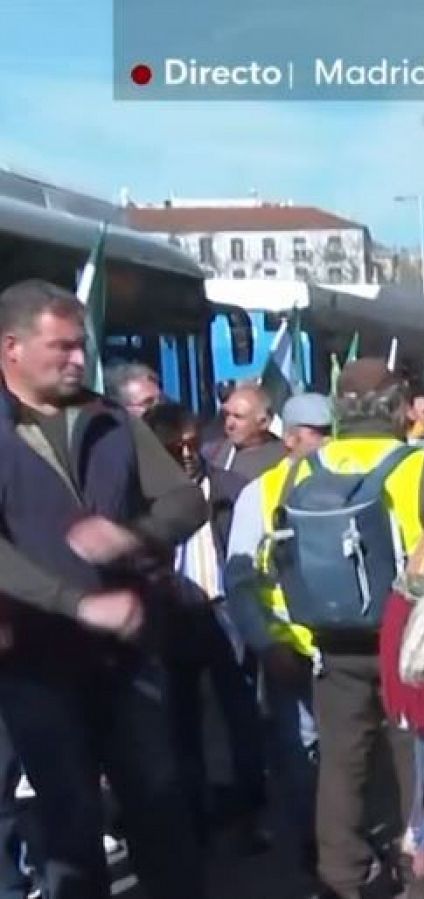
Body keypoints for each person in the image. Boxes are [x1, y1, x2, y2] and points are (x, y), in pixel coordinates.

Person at [0, 279, 208, 899]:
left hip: (128, 658)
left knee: (161, 812)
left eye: (80, 347)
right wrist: (79, 602)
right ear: (10, 347)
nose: (77, 360)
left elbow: (184, 499)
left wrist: (135, 536)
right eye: (60, 347)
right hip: (36, 664)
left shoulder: (109, 419)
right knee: (71, 830)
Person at [234, 359, 424, 899]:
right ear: (400, 406)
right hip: (408, 642)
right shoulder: (423, 467)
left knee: (339, 768)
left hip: (330, 642)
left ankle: (340, 881)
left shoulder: (295, 473)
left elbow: (266, 562)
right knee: (419, 762)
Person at [142, 401, 271, 855]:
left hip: (226, 616)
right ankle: (193, 819)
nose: (187, 452)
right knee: (180, 726)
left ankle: (248, 815)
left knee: (242, 719)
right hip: (169, 620)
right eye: (174, 446)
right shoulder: (139, 499)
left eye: (193, 443)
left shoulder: (232, 489)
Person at [223, 391, 334, 883]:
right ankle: (313, 850)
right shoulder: (261, 495)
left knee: (345, 757)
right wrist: (266, 645)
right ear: (290, 438)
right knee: (300, 758)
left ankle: (339, 841)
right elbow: (241, 581)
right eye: (319, 436)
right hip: (292, 653)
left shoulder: (355, 486)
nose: (331, 446)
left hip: (348, 654)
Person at [210, 382, 287, 481]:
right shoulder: (215, 452)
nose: (229, 423)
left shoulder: (283, 459)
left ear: (263, 422)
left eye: (238, 417)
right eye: (227, 415)